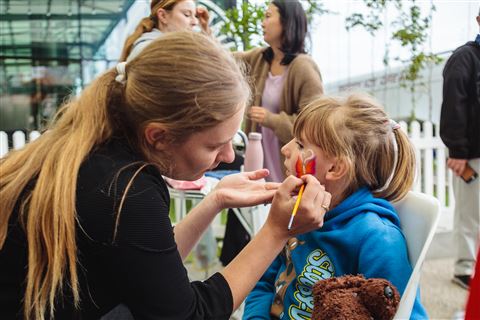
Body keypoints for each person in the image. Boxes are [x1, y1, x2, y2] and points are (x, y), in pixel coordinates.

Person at [0, 32, 331, 320]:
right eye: (216, 144)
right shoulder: (123, 187)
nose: (229, 157)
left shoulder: (95, 156)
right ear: (158, 136)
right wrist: (275, 231)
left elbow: (146, 265)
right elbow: (186, 314)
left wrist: (215, 200)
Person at [243, 94, 428, 319]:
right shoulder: (298, 215)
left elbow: (406, 314)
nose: (286, 149)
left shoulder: (377, 239)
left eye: (300, 144)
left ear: (335, 168)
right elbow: (262, 281)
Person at [236, 0, 323, 183]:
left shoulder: (304, 67)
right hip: (256, 163)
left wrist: (271, 119)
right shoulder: (259, 58)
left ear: (287, 22)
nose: (262, 23)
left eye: (268, 16)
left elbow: (314, 125)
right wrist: (206, 32)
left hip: (286, 170)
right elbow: (223, 61)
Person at [439, 7, 480, 290]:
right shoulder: (464, 58)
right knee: (470, 213)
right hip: (471, 154)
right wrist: (457, 151)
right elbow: (454, 105)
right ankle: (465, 269)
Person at [119, 0, 210, 62]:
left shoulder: (161, 48)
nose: (195, 22)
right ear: (163, 16)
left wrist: (205, 29)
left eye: (195, 16)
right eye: (187, 14)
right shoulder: (151, 52)